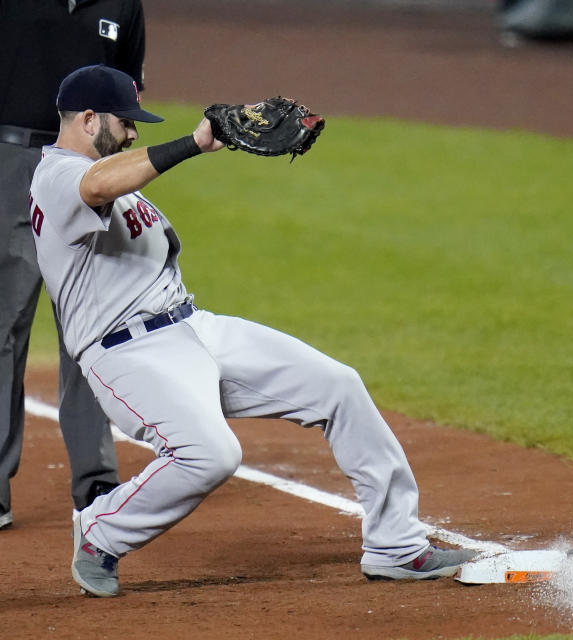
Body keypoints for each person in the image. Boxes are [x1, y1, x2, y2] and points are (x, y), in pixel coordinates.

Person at [30, 64, 476, 597]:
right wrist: (195, 143)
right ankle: (103, 530)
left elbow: (114, 183)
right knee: (211, 454)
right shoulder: (57, 176)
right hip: (128, 353)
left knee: (338, 386)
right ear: (86, 119)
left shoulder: (111, 174)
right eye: (124, 122)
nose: (132, 131)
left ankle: (396, 546)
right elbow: (98, 183)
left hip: (191, 327)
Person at [0, 0, 148, 529]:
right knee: (4, 325)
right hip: (9, 161)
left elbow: (128, 93)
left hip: (89, 173)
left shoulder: (122, 5)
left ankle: (97, 484)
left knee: (86, 326)